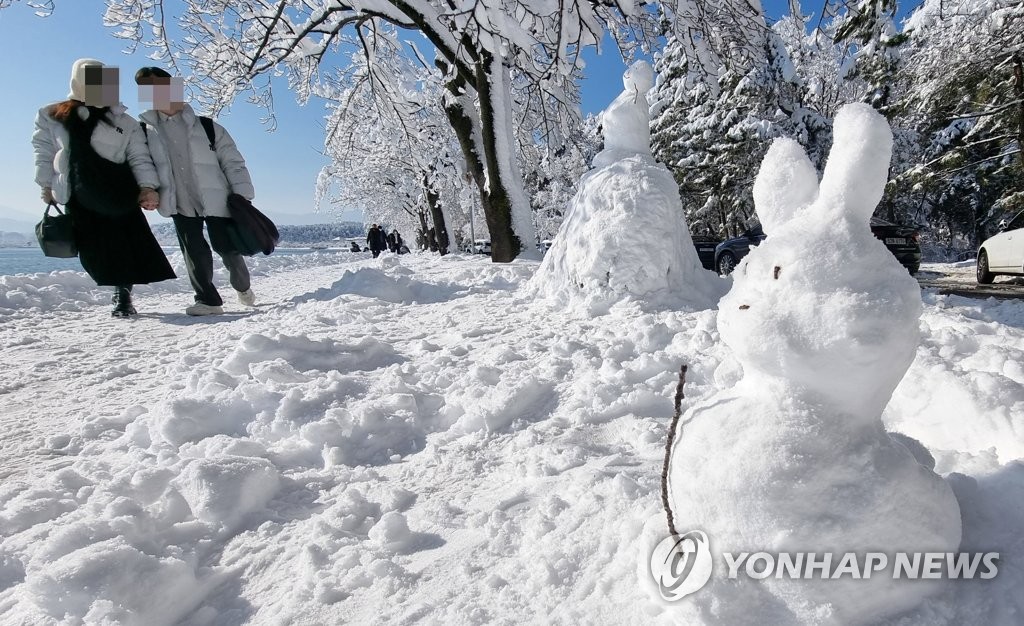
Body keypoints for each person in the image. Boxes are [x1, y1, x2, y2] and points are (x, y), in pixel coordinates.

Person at [32, 59, 175, 318]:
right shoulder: (52, 114)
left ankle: (123, 294)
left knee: (123, 245)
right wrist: (45, 183)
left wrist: (147, 187)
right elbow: (44, 151)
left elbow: (139, 156)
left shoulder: (126, 121)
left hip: (118, 190)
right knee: (93, 249)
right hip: (77, 190)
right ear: (78, 80)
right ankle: (118, 288)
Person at [134, 66, 257, 316]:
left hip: (217, 197)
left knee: (227, 249)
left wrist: (242, 193)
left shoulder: (208, 127)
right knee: (194, 252)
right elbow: (141, 162)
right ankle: (208, 300)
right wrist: (147, 189)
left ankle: (242, 286)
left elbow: (232, 161)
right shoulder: (144, 131)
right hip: (178, 199)